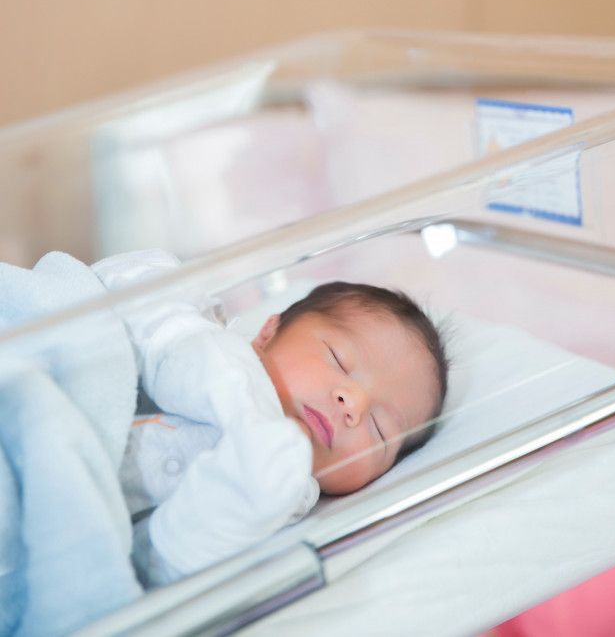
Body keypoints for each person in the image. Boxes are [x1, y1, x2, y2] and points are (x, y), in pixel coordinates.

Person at [92, 249, 448, 586]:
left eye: (380, 429)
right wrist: (198, 351)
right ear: (267, 333)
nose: (352, 403)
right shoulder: (207, 339)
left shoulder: (280, 499)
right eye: (338, 359)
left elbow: (160, 563)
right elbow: (133, 278)